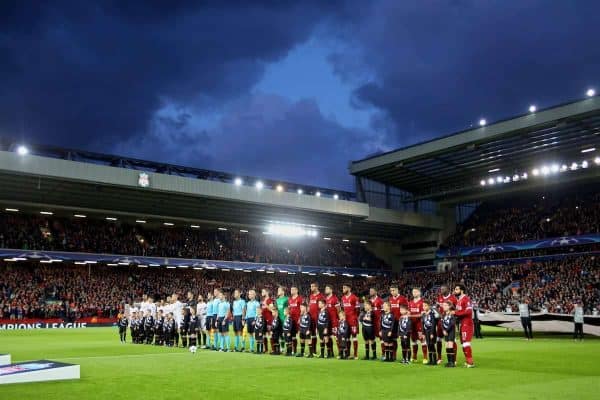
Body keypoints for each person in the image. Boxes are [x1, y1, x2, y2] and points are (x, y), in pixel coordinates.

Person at [454, 284, 475, 367]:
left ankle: (470, 362)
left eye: (456, 289)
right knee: (463, 343)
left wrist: (456, 313)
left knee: (466, 343)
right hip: (462, 323)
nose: (455, 291)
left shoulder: (466, 299)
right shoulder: (459, 300)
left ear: (461, 290)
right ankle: (467, 361)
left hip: (467, 323)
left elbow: (469, 311)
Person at [436, 285, 457, 363]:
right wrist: (440, 314)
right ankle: (439, 358)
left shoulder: (453, 298)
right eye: (441, 289)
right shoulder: (439, 297)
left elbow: (456, 310)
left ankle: (454, 360)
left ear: (447, 289)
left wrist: (452, 315)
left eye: (443, 289)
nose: (441, 290)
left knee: (451, 341)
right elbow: (436, 307)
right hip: (441, 321)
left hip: (449, 321)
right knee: (438, 339)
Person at [341, 284, 360, 359]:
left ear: (349, 288)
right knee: (347, 337)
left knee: (354, 337)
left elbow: (358, 310)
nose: (343, 289)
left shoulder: (354, 298)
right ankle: (348, 354)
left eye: (344, 288)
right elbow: (343, 309)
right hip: (346, 321)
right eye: (343, 287)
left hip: (353, 321)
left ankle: (355, 355)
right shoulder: (342, 298)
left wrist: (354, 317)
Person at [388, 284, 407, 360]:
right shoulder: (390, 299)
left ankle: (405, 357)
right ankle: (394, 355)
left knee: (403, 339)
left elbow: (406, 310)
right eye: (391, 291)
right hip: (393, 322)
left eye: (393, 290)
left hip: (401, 322)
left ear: (397, 290)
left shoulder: (402, 298)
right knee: (393, 339)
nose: (392, 292)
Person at [408, 288, 427, 363]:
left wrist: (411, 316)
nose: (414, 293)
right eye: (413, 292)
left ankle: (425, 357)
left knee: (422, 340)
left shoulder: (423, 302)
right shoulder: (410, 302)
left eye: (416, 292)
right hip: (412, 324)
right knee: (413, 340)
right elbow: (409, 313)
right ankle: (414, 357)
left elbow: (422, 315)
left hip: (420, 324)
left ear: (419, 293)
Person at [308, 282, 325, 357]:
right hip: (311, 318)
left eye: (312, 286)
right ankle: (313, 350)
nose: (311, 288)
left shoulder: (321, 296)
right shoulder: (311, 296)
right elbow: (309, 305)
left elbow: (323, 306)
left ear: (316, 287)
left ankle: (326, 351)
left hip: (318, 319)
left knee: (321, 335)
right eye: (311, 286)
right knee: (313, 335)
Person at [324, 284, 340, 357]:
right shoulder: (325, 299)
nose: (325, 290)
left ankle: (340, 352)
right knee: (329, 337)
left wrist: (339, 319)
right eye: (325, 289)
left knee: (336, 337)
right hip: (328, 322)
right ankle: (331, 353)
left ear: (331, 290)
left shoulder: (335, 299)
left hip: (334, 321)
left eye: (327, 289)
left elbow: (339, 310)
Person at [288, 286, 303, 354]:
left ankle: (301, 350)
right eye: (291, 289)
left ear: (296, 291)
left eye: (293, 290)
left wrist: (300, 317)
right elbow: (289, 309)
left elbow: (302, 309)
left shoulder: (299, 298)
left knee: (300, 335)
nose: (291, 291)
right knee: (292, 335)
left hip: (298, 320)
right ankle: (293, 350)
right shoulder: (290, 299)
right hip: (291, 320)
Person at [369, 288, 384, 358]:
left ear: (376, 291)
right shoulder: (369, 301)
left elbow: (383, 312)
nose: (370, 292)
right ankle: (374, 355)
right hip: (371, 323)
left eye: (372, 291)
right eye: (370, 291)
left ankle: (384, 355)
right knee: (372, 338)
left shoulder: (380, 300)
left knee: (382, 338)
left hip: (378, 322)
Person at [421, 300, 437, 365]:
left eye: (425, 306)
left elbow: (433, 324)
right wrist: (423, 333)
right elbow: (422, 324)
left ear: (429, 306)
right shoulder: (423, 314)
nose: (424, 307)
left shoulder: (432, 314)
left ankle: (434, 360)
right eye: (423, 306)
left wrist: (432, 333)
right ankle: (430, 360)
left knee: (432, 345)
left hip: (431, 332)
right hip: (426, 332)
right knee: (428, 345)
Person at [441, 301, 457, 367]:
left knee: (450, 345)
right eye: (443, 305)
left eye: (445, 305)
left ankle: (452, 362)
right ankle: (449, 361)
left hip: (451, 332)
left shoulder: (452, 314)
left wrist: (446, 330)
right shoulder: (443, 314)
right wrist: (443, 330)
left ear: (449, 306)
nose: (443, 307)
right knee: (447, 346)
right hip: (445, 332)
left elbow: (452, 323)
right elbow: (441, 323)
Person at [261, 288, 274, 354]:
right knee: (264, 335)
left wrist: (266, 305)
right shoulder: (263, 300)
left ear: (267, 292)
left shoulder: (270, 300)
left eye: (263, 291)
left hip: (269, 319)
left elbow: (272, 310)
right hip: (263, 320)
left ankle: (272, 349)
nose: (261, 292)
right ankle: (265, 349)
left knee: (270, 334)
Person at [276, 287, 289, 352]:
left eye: (279, 290)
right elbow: (276, 310)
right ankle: (282, 348)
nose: (278, 291)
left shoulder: (286, 299)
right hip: (279, 319)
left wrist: (287, 318)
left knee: (286, 334)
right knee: (280, 334)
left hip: (285, 319)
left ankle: (289, 348)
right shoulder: (277, 300)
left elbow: (288, 309)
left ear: (283, 291)